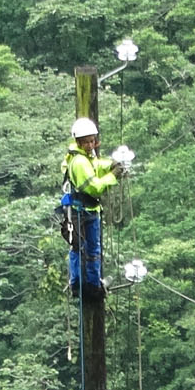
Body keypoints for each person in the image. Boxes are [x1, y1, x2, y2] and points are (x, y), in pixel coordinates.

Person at [57, 118, 130, 295]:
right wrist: (113, 175)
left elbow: (97, 165)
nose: (91, 145)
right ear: (79, 142)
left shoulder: (87, 158)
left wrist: (111, 164)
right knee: (79, 247)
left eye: (92, 141)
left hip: (90, 210)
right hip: (79, 212)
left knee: (93, 249)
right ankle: (79, 284)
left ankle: (93, 283)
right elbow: (95, 187)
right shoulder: (79, 162)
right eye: (87, 142)